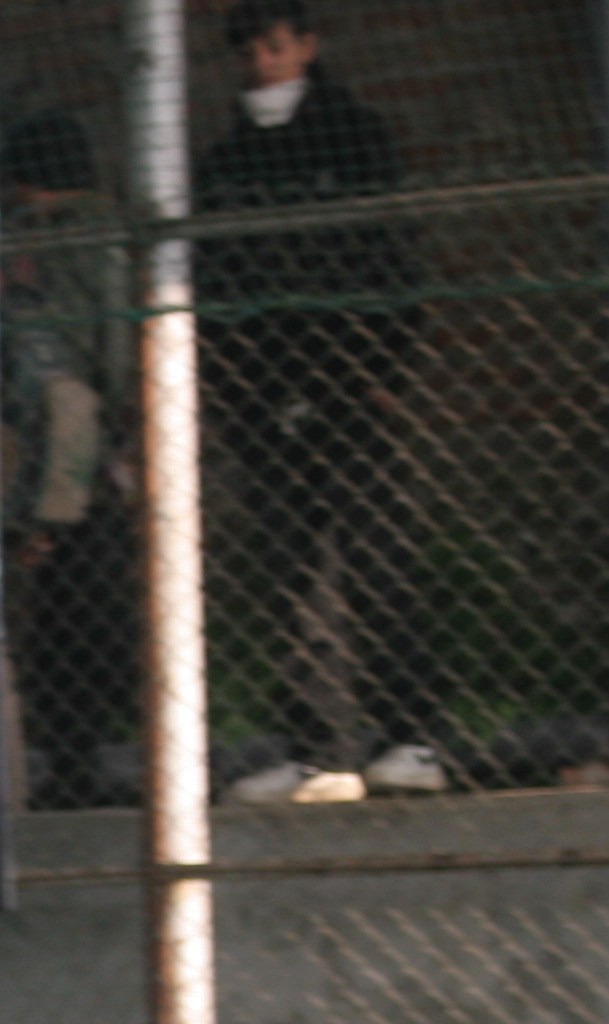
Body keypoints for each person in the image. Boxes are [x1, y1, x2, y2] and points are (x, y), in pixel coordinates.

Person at [196, 1, 450, 801]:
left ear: (306, 46)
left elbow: (392, 254)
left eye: (277, 45)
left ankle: (414, 735)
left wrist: (383, 368)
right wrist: (233, 385)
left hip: (346, 376)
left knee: (376, 558)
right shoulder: (226, 161)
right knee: (294, 574)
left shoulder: (354, 138)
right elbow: (214, 278)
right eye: (251, 49)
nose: (263, 62)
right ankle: (318, 750)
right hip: (265, 389)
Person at [0, 110, 140, 811]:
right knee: (81, 607)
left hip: (66, 442)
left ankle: (74, 755)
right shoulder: (88, 241)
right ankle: (78, 754)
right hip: (77, 443)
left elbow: (76, 375)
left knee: (68, 609)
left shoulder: (70, 242)